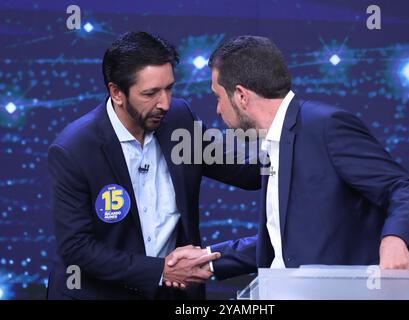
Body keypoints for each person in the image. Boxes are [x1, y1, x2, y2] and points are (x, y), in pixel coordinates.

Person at [168, 35, 409, 284]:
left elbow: (404, 188)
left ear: (241, 96)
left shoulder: (326, 127)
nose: (217, 109)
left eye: (218, 97)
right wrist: (210, 258)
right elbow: (285, 244)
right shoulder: (273, 145)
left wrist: (396, 238)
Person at [46, 31, 260, 300]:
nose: (165, 103)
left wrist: (296, 143)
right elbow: (77, 248)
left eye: (169, 88)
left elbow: (246, 170)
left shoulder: (179, 120)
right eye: (150, 93)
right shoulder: (73, 150)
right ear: (116, 93)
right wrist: (161, 271)